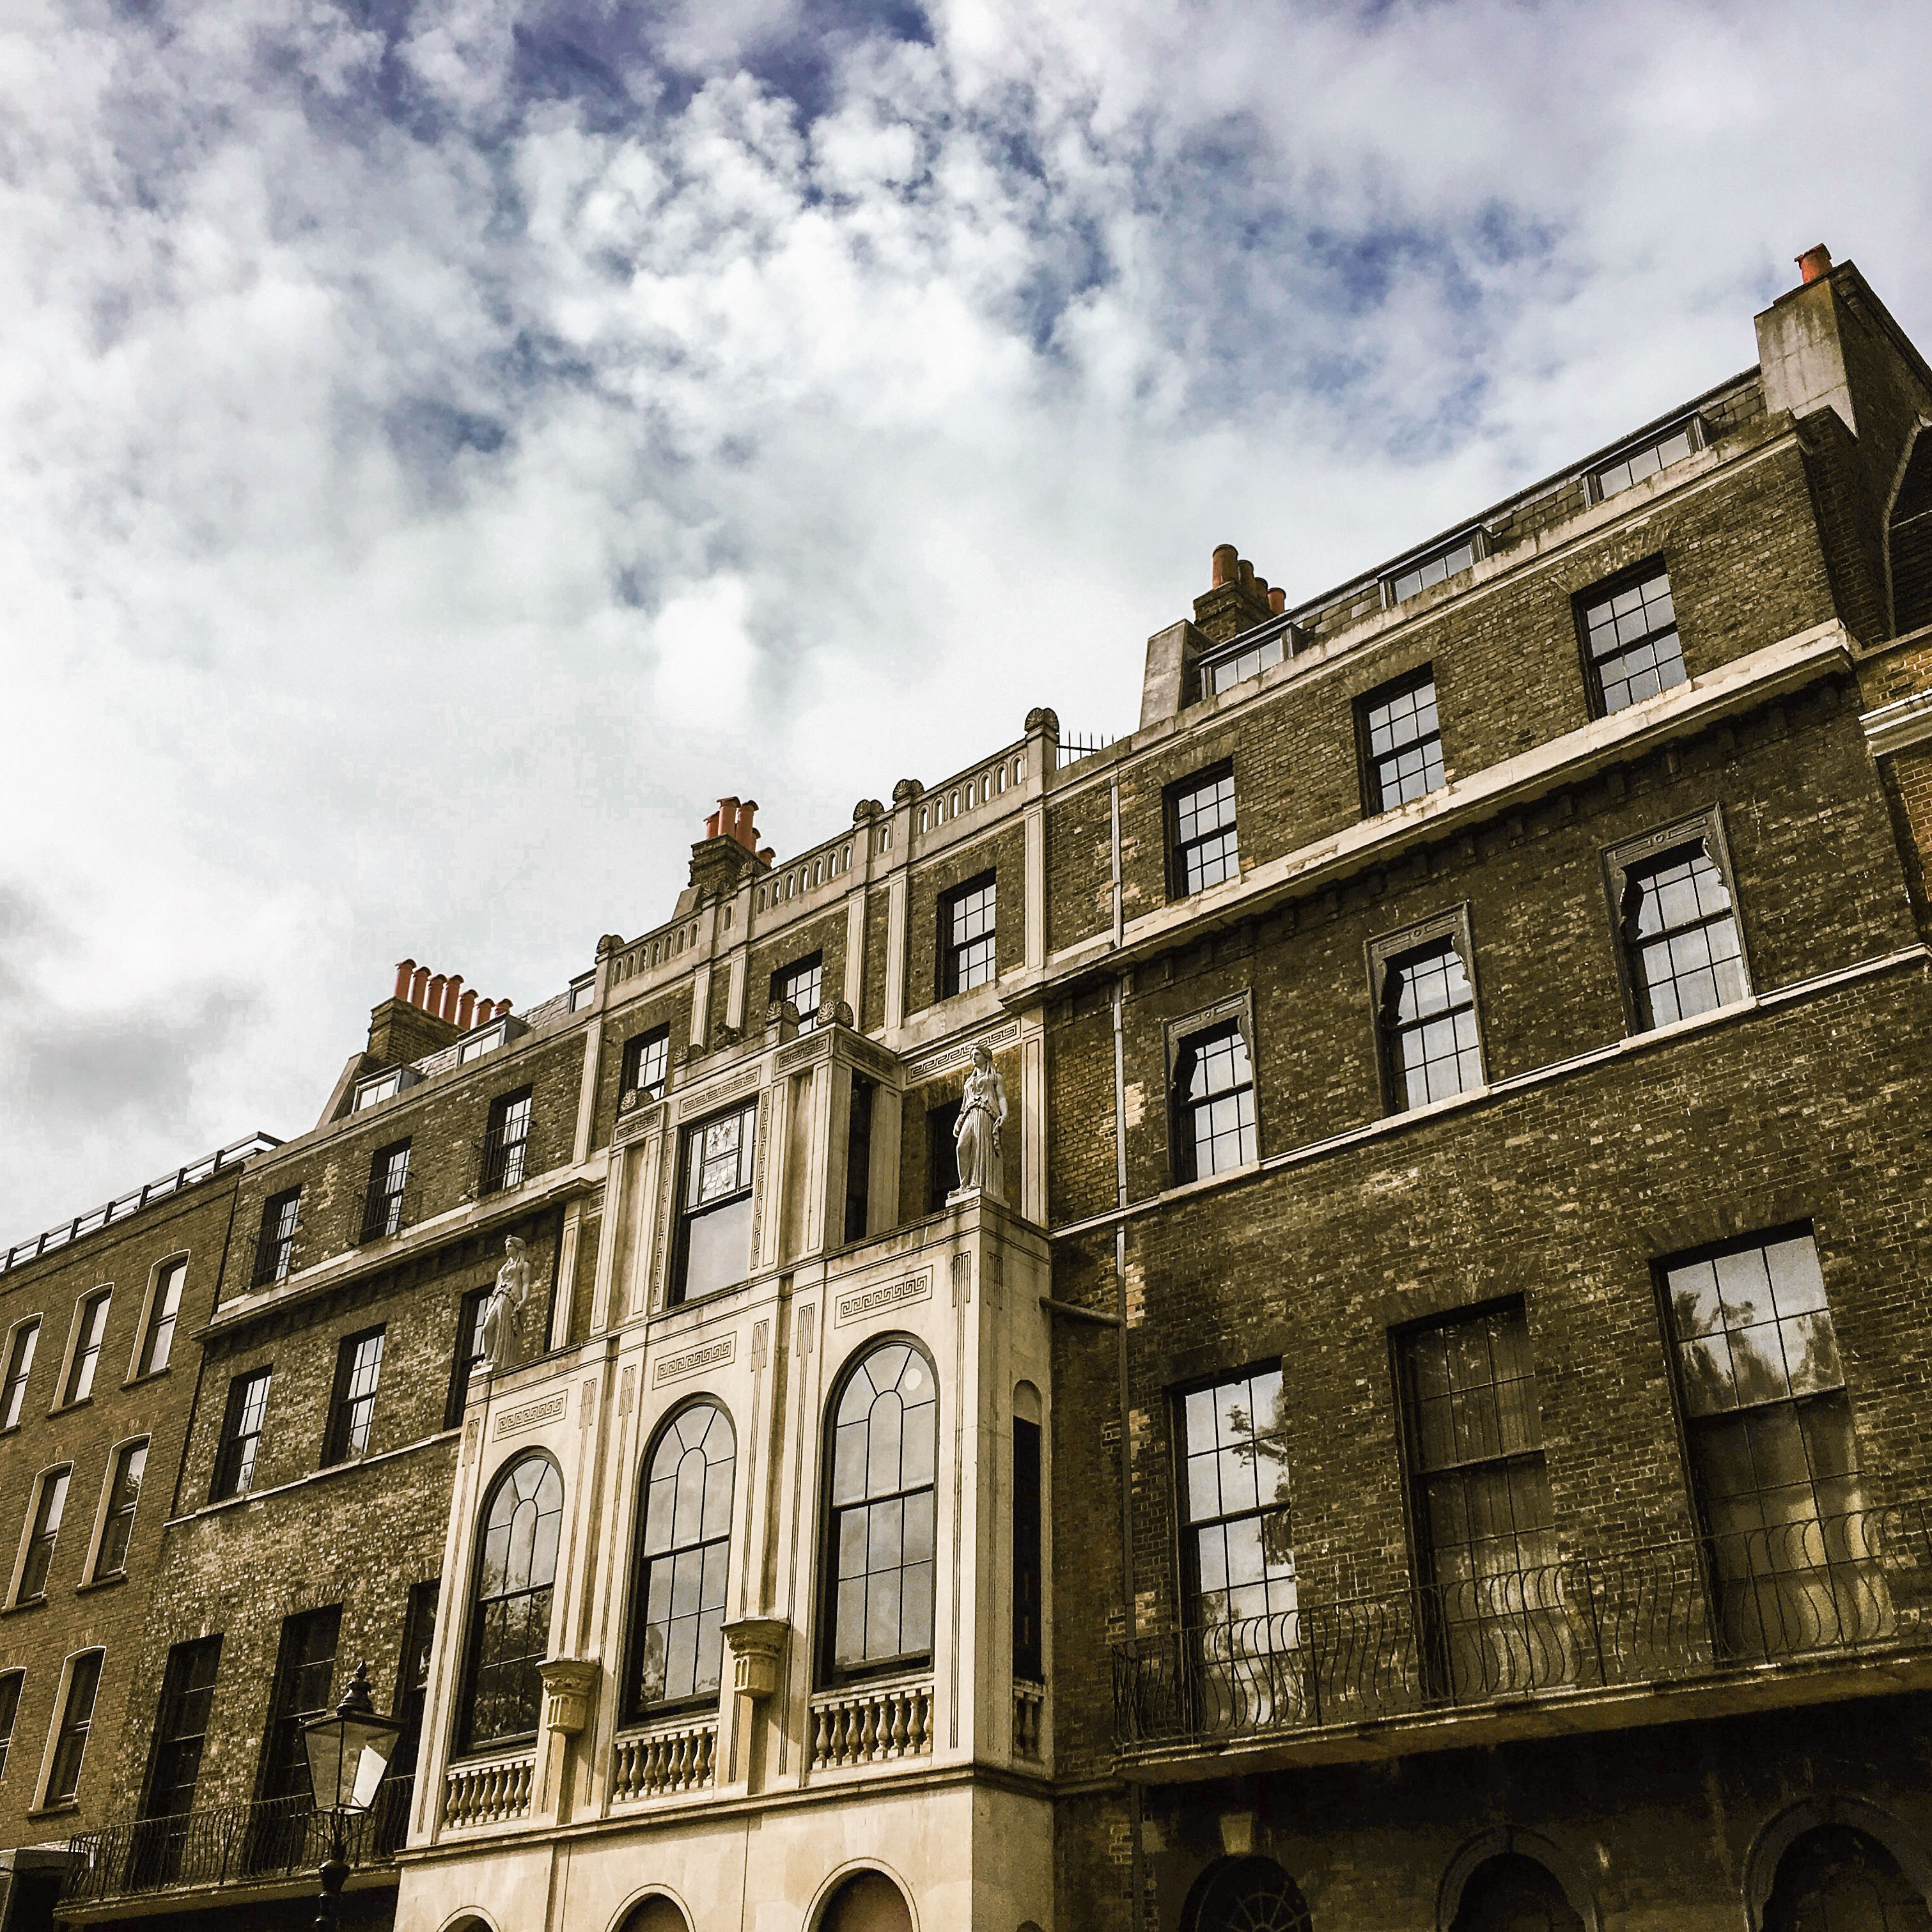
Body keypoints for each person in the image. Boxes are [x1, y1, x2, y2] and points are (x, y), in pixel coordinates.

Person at [952, 1043, 1009, 1200]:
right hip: (970, 1114)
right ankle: (964, 1185)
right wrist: (958, 1122)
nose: (973, 1058)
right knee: (961, 1147)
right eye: (972, 1055)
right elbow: (964, 1106)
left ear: (985, 1057)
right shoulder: (969, 1082)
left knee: (981, 1148)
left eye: (977, 1055)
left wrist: (1004, 1115)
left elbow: (1001, 1097)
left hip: (986, 1114)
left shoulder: (994, 1078)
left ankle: (978, 1182)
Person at [479, 1235, 531, 1375]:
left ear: (517, 1248)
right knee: (487, 1328)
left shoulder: (523, 1266)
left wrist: (524, 1300)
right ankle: (488, 1358)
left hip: (511, 1298)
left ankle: (499, 1360)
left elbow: (526, 1284)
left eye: (510, 1246)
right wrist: (490, 1305)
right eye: (506, 1246)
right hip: (498, 1297)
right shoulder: (504, 1267)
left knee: (504, 1327)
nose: (507, 1249)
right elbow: (496, 1286)